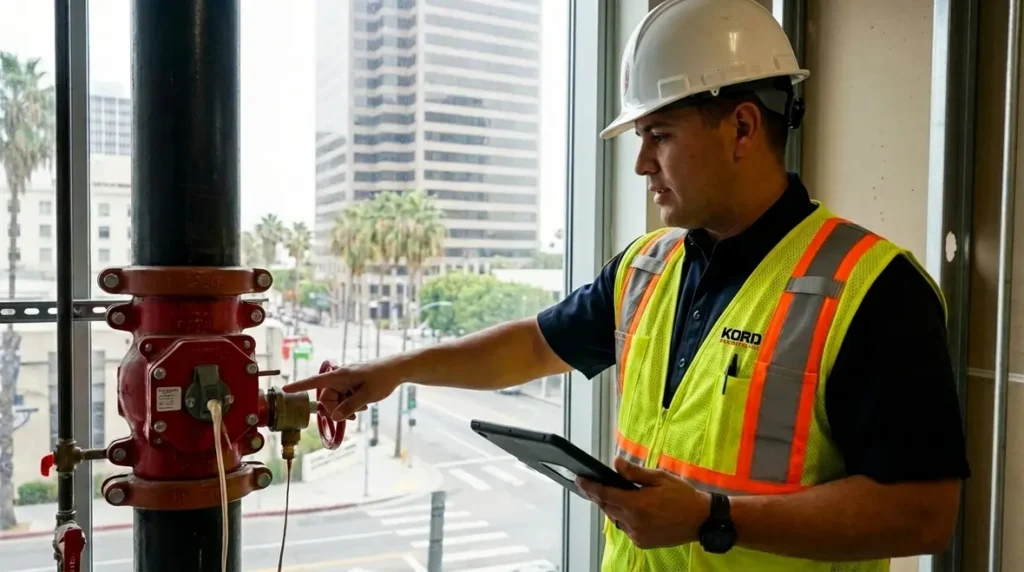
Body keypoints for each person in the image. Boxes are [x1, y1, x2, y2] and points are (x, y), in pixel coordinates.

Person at [284, 0, 969, 569]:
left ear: (742, 126)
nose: (641, 163)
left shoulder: (873, 289)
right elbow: (530, 347)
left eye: (660, 134)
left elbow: (921, 515)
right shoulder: (649, 267)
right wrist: (391, 373)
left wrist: (713, 518)